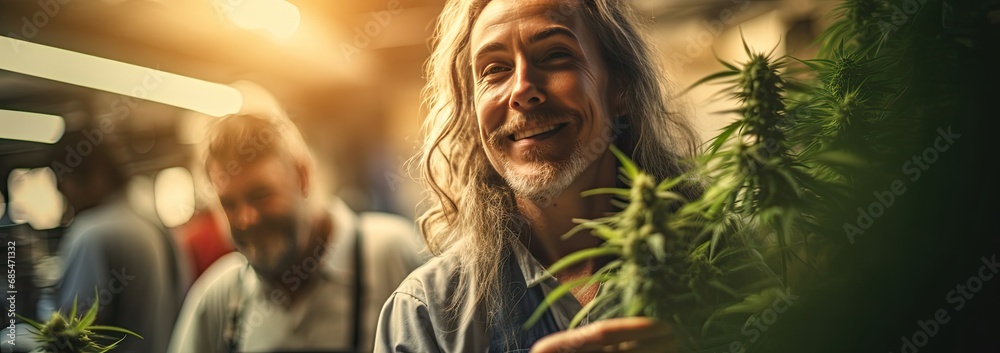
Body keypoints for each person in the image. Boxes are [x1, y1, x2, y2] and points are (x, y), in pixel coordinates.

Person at [374, 0, 702, 352]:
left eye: (555, 55)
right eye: (495, 68)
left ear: (620, 89)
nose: (522, 90)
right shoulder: (428, 315)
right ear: (472, 112)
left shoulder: (719, 258)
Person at [167, 86, 425, 353]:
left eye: (261, 195)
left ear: (302, 177)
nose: (246, 219)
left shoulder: (387, 254)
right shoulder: (220, 298)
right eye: (229, 205)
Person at [51, 128, 189, 353]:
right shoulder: (153, 224)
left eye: (66, 187)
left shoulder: (92, 233)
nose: (66, 202)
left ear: (96, 177)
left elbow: (69, 336)